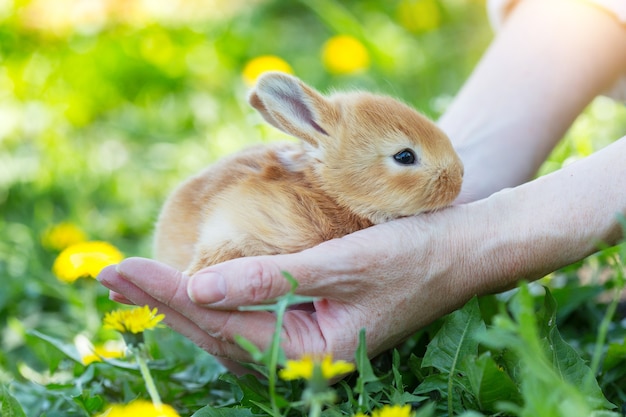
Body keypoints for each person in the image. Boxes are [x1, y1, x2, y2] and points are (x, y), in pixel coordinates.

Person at [98, 0, 626, 365]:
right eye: (404, 158)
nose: (455, 175)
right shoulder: (294, 208)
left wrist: (474, 248)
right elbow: (223, 233)